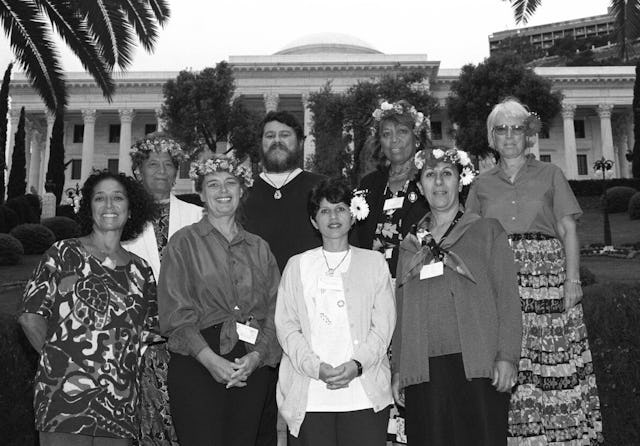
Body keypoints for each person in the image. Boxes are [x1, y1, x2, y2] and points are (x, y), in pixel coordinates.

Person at [465, 97, 604, 445]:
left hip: (547, 280)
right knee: (510, 356)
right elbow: (471, 238)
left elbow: (568, 229)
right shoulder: (481, 185)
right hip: (501, 280)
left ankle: (562, 435)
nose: (509, 136)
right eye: (501, 129)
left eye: (517, 128)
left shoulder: (550, 174)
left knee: (552, 358)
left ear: (528, 136)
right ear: (491, 138)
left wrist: (572, 280)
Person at [392, 147, 522, 446]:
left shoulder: (487, 231)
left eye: (447, 174)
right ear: (420, 185)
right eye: (430, 175)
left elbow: (507, 299)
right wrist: (399, 368)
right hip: (422, 370)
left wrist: (507, 356)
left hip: (477, 364)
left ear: (460, 181)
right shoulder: (411, 245)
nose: (439, 182)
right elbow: (401, 313)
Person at [18, 170, 159, 446]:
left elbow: (148, 332)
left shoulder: (141, 270)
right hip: (63, 398)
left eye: (118, 198)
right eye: (99, 198)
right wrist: (58, 362)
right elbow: (29, 317)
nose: (109, 205)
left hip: (119, 404)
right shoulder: (63, 254)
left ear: (131, 210)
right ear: (89, 207)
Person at [158, 154, 281, 446]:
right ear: (200, 193)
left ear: (242, 191)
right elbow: (175, 314)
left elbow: (277, 311)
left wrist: (257, 357)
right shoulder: (183, 243)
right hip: (197, 361)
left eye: (230, 183)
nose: (223, 191)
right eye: (213, 184)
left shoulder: (260, 248)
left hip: (249, 363)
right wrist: (210, 360)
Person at [276, 178, 395, 446]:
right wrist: (315, 367)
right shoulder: (297, 266)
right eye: (324, 210)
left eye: (340, 208)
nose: (333, 217)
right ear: (313, 221)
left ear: (353, 215)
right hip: (311, 395)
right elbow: (287, 327)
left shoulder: (374, 263)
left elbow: (383, 326)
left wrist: (357, 365)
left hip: (363, 394)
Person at [243, 110, 325, 444]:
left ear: (301, 142)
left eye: (285, 134)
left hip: (311, 324)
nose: (277, 141)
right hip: (254, 324)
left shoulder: (320, 190)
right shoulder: (242, 195)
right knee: (256, 417)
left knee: (308, 418)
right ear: (260, 145)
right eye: (269, 135)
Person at [354, 99, 430, 443]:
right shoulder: (368, 184)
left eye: (402, 131)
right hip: (375, 296)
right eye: (386, 133)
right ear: (379, 142)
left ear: (417, 137)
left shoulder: (432, 179)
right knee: (379, 371)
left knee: (414, 368)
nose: (394, 139)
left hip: (418, 291)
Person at [123, 133, 203, 445]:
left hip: (189, 342)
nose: (161, 171)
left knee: (188, 422)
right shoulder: (121, 218)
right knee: (145, 426)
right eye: (152, 164)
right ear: (137, 171)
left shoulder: (197, 217)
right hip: (140, 346)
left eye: (168, 164)